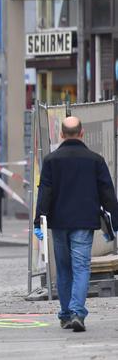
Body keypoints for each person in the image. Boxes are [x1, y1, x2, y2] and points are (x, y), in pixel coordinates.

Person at [34, 116, 118, 332]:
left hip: (59, 222)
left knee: (63, 269)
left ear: (61, 134)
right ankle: (77, 312)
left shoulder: (51, 160)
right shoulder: (95, 160)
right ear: (82, 133)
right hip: (84, 222)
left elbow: (45, 192)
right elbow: (108, 193)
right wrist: (115, 221)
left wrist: (38, 220)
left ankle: (65, 314)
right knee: (81, 268)